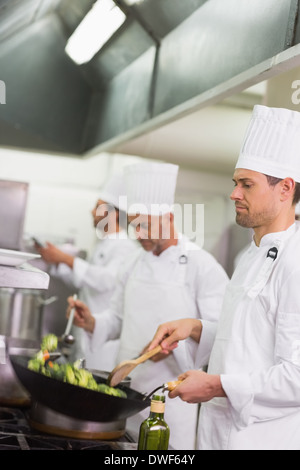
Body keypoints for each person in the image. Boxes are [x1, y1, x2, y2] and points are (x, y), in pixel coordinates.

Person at [147, 105, 300, 450]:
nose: (233, 193)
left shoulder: (297, 263)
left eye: (247, 185)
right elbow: (248, 341)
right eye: (236, 183)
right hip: (216, 434)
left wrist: (217, 386)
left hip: (263, 440)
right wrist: (196, 327)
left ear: (285, 188)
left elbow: (297, 375)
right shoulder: (248, 256)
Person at [68, 162, 229, 450]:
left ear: (168, 218)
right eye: (133, 224)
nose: (138, 233)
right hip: (124, 396)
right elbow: (117, 316)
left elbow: (223, 334)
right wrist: (92, 321)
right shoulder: (133, 261)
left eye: (145, 225)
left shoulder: (202, 266)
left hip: (172, 400)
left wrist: (180, 344)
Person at [36, 173, 138, 369]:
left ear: (114, 213)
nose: (92, 212)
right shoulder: (102, 244)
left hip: (103, 341)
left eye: (97, 207)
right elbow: (83, 281)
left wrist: (65, 258)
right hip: (83, 331)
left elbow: (106, 280)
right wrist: (55, 261)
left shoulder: (125, 246)